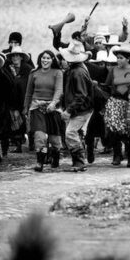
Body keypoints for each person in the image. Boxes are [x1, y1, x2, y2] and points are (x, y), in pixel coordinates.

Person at [23, 50, 64, 172]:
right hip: (36, 107)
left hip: (53, 107)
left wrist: (53, 103)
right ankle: (40, 161)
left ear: (52, 60)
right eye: (43, 58)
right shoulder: (34, 73)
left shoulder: (58, 73)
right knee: (39, 135)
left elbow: (59, 90)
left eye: (48, 58)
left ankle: (55, 156)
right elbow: (28, 92)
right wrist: (25, 108)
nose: (45, 60)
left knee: (54, 138)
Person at [58, 40, 94, 172]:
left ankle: (79, 161)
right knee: (73, 133)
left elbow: (81, 95)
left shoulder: (76, 72)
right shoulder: (78, 69)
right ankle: (78, 161)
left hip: (80, 110)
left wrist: (68, 110)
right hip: (82, 109)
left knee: (70, 133)